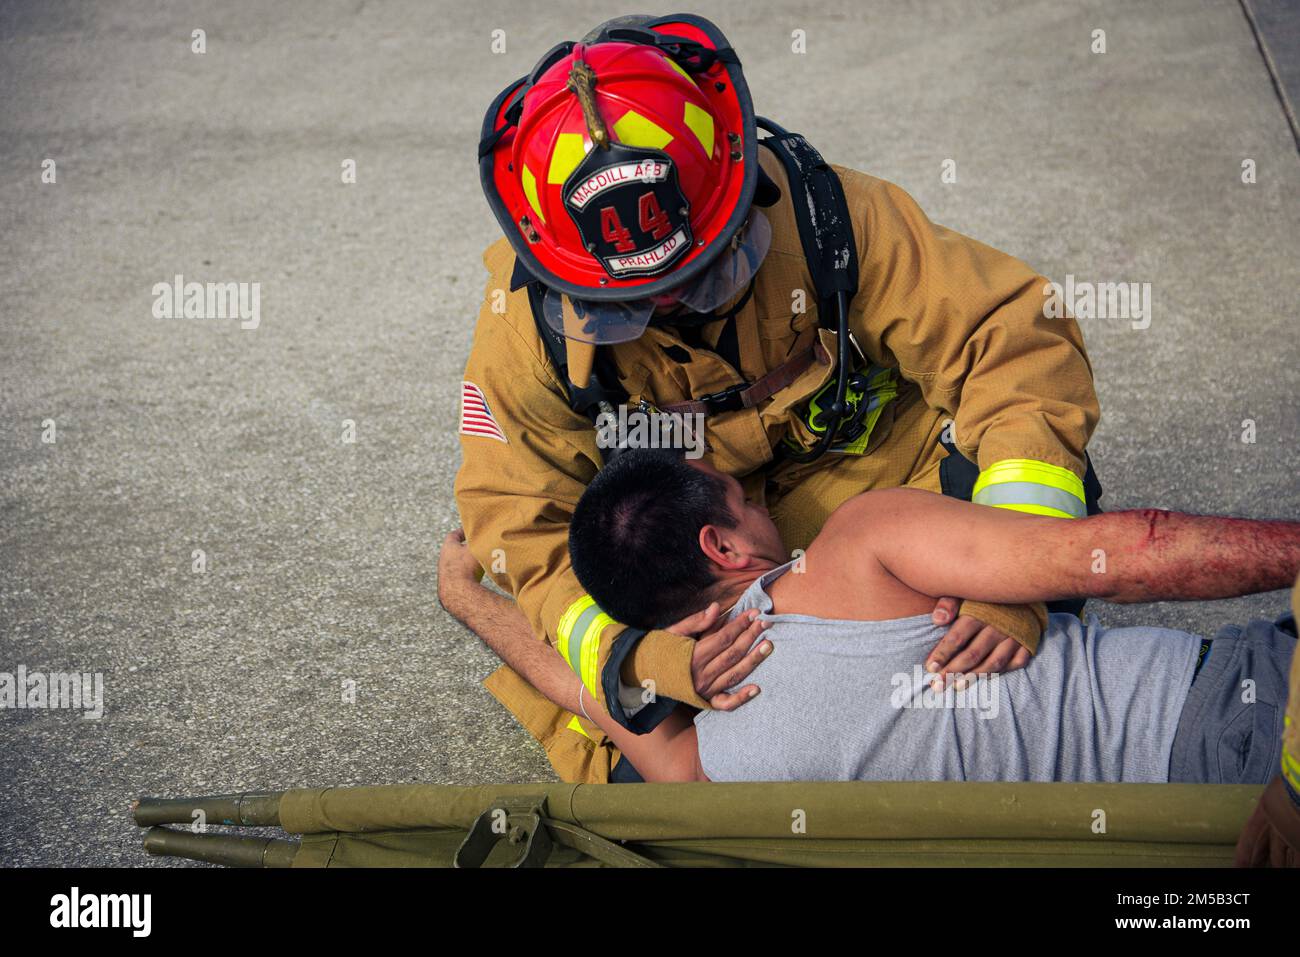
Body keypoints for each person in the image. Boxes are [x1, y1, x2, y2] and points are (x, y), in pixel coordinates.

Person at [456, 13, 1102, 784]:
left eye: (700, 276)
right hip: (697, 566)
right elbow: (523, 527)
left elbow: (1009, 343)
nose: (668, 309)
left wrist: (1016, 566)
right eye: (631, 303)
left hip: (885, 490)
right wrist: (645, 661)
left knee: (1009, 616)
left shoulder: (831, 219)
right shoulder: (527, 330)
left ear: (738, 192)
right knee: (668, 765)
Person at [439, 448, 1298, 787]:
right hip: (1240, 718)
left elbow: (586, 688)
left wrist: (468, 598)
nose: (767, 510)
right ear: (725, 547)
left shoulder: (706, 762)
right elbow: (1130, 552)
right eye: (746, 501)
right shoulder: (858, 548)